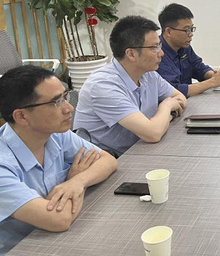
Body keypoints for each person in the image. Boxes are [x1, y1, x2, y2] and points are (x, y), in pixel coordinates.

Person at [0, 66, 117, 256]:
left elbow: (108, 160)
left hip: (57, 242)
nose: (69, 108)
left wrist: (77, 181)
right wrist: (75, 181)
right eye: (56, 102)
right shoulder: (3, 164)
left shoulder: (54, 134)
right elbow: (59, 219)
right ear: (21, 116)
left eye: (65, 96)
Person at [74, 15, 187, 157]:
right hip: (106, 160)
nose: (161, 53)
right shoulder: (103, 86)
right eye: (154, 47)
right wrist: (167, 106)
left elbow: (180, 98)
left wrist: (162, 119)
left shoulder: (149, 74)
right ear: (131, 54)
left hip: (140, 149)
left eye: (159, 45)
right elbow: (153, 134)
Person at [157, 3, 220, 97]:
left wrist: (218, 75)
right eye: (186, 30)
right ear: (168, 31)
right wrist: (213, 81)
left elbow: (198, 68)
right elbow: (173, 90)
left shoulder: (184, 47)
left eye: (191, 29)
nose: (191, 34)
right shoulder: (157, 54)